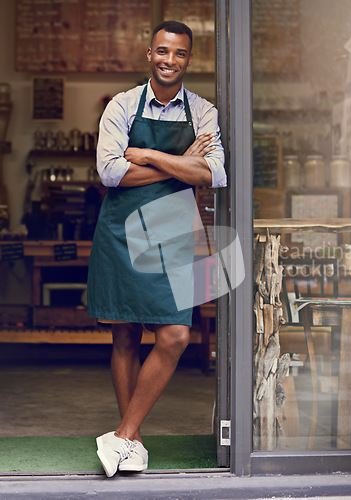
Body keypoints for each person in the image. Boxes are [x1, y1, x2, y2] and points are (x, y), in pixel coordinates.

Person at [86, 20, 226, 477]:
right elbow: (110, 173)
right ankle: (135, 439)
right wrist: (181, 161)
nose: (170, 60)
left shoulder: (204, 111)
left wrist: (147, 155)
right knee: (125, 334)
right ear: (150, 54)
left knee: (174, 334)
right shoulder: (122, 106)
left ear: (189, 59)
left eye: (180, 53)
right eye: (162, 51)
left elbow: (213, 174)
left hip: (173, 230)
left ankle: (123, 435)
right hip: (122, 229)